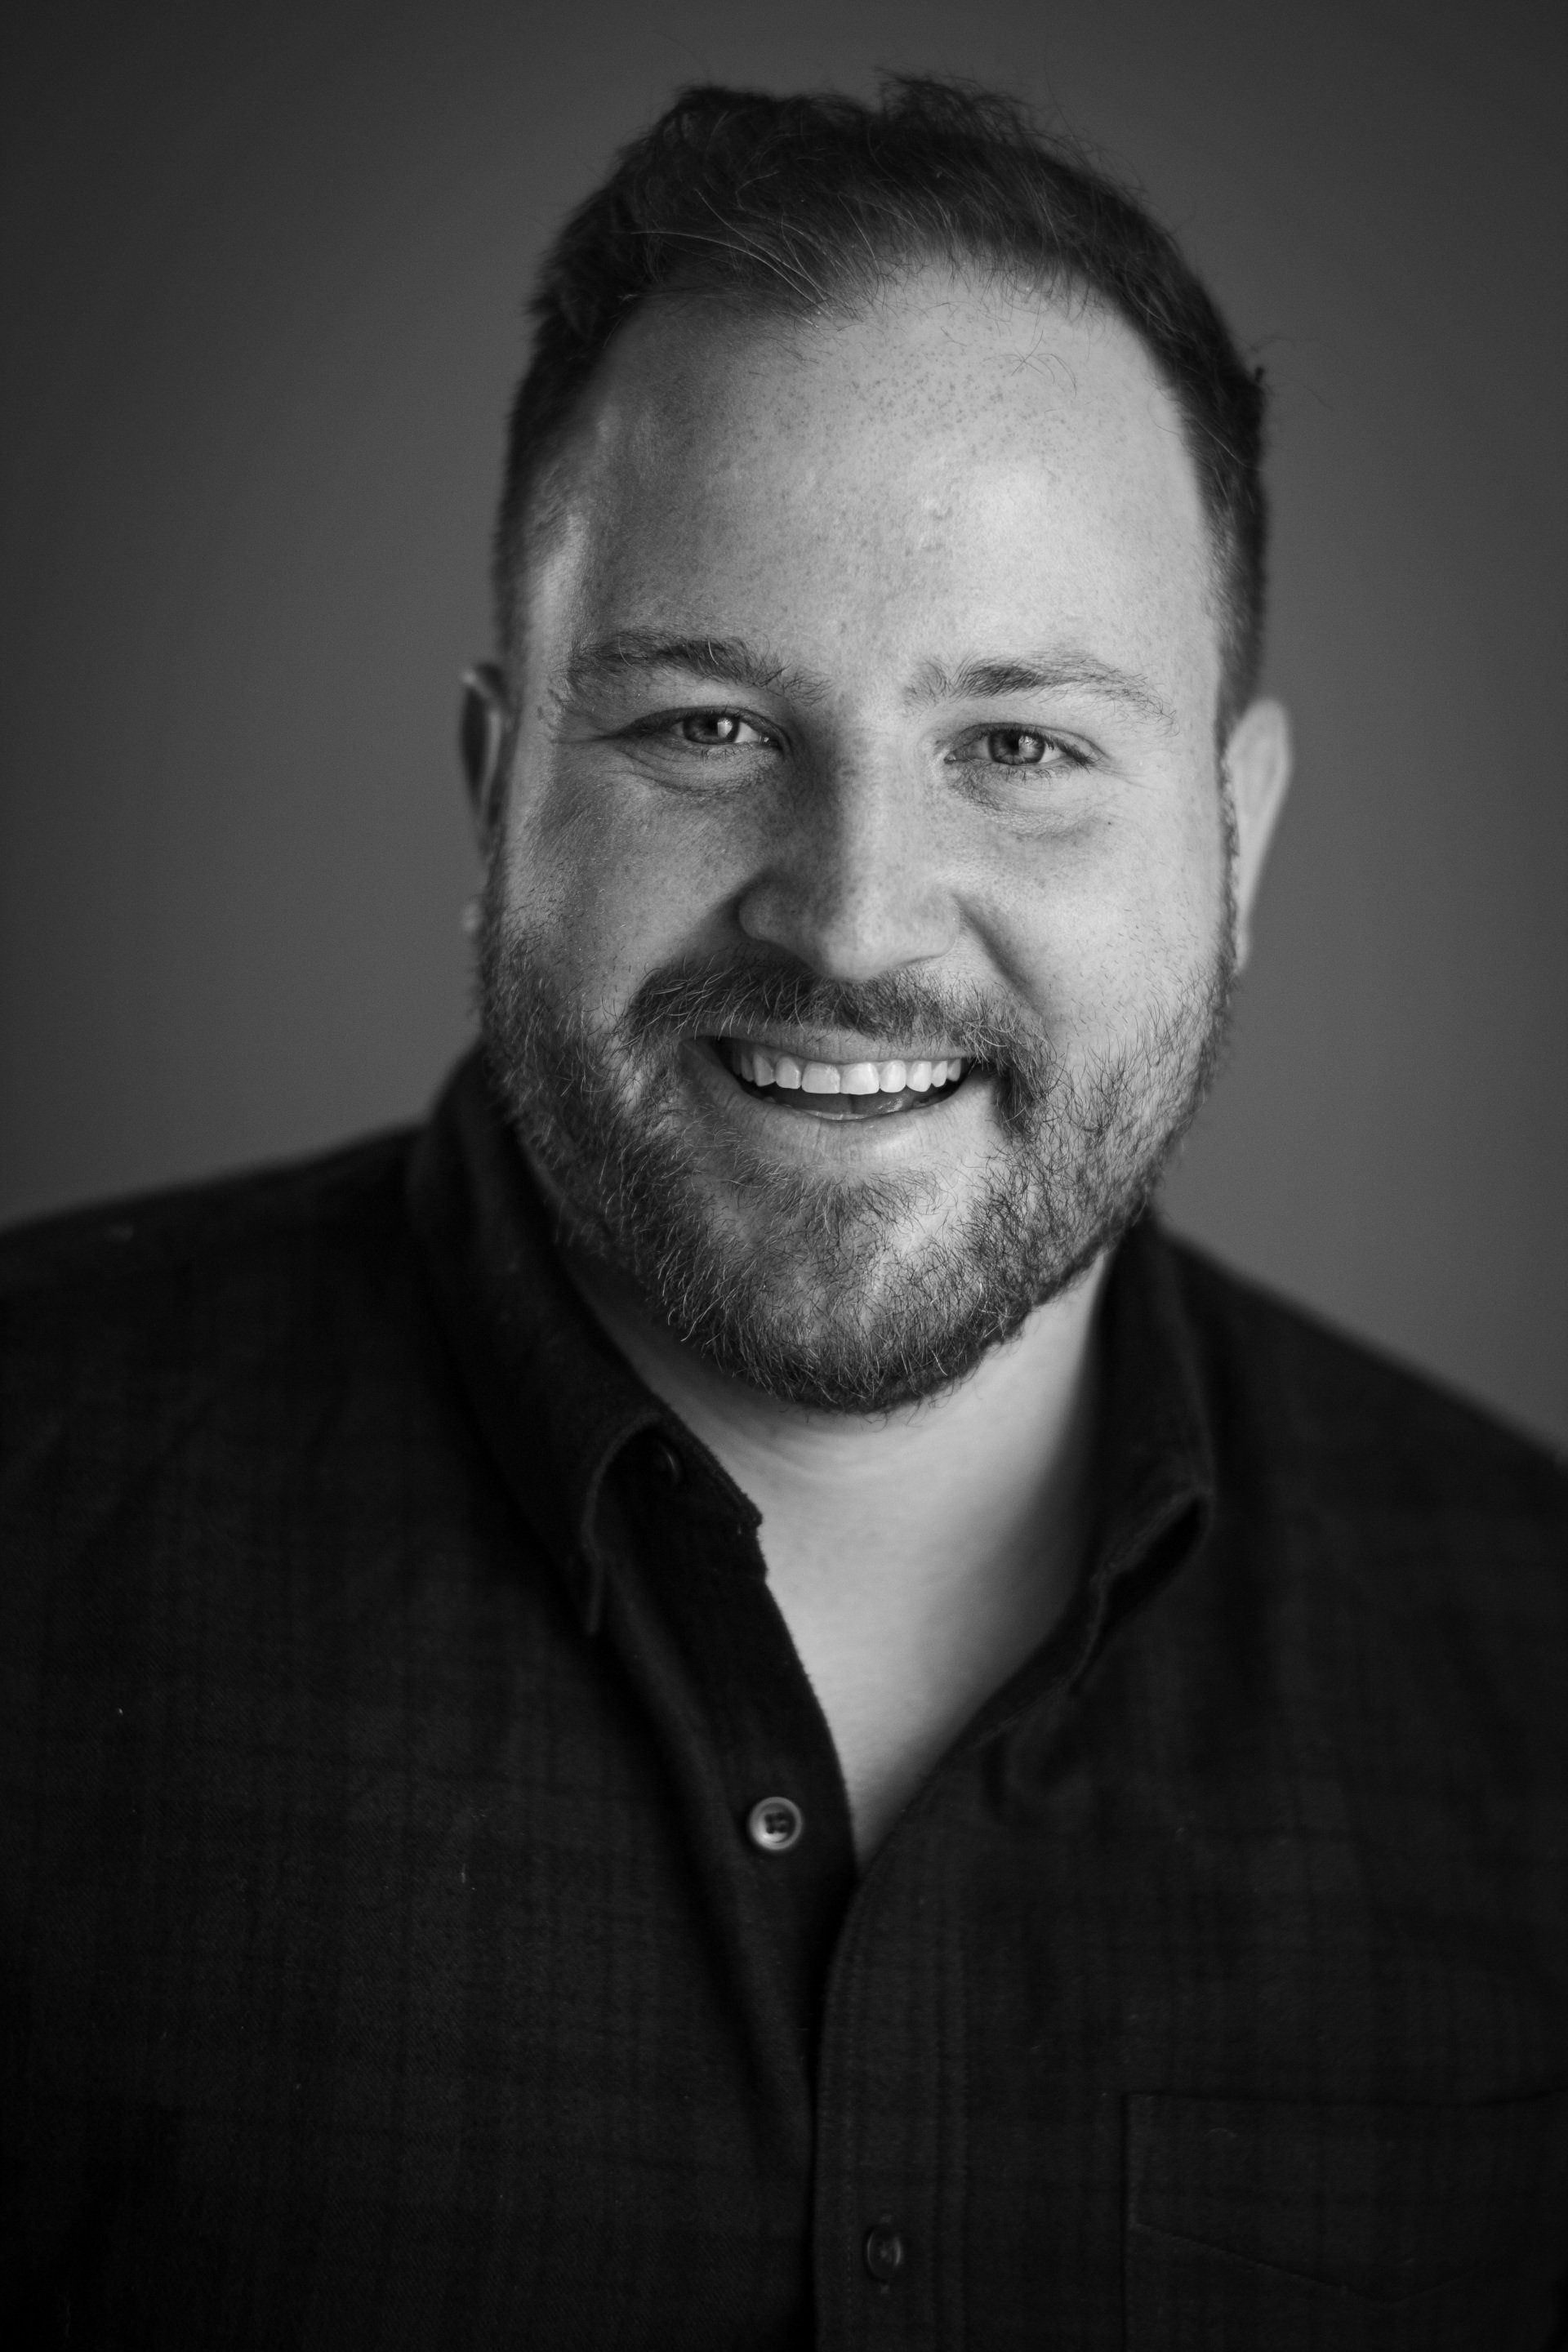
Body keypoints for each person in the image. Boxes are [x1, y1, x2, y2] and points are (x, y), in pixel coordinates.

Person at [2, 75, 1564, 2351]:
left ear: (1238, 841)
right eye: (708, 728)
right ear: (496, 784)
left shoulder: (1536, 1700)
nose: (853, 920)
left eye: (1021, 746)